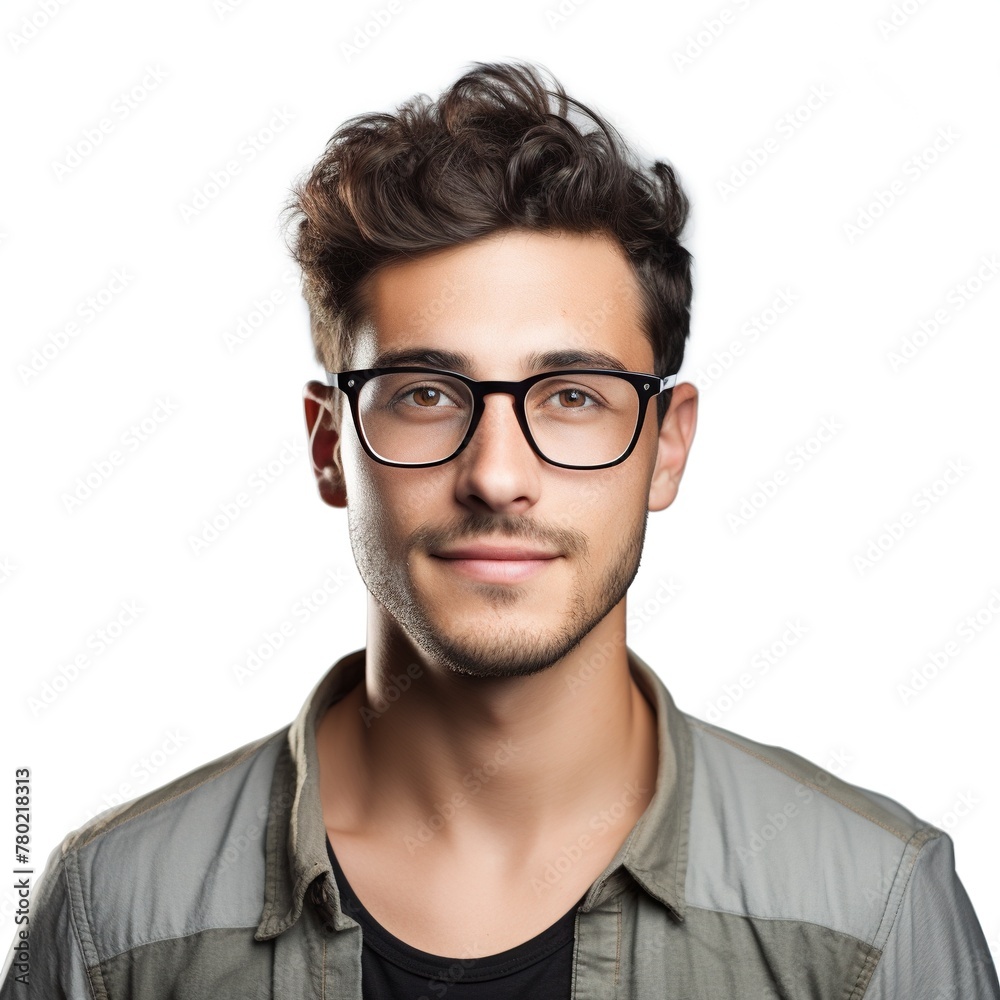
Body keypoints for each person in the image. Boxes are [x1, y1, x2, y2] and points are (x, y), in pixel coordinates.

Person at [3, 59, 997, 1000]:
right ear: (326, 443)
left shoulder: (873, 910)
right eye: (427, 392)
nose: (496, 475)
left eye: (571, 394)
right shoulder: (115, 911)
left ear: (665, 447)